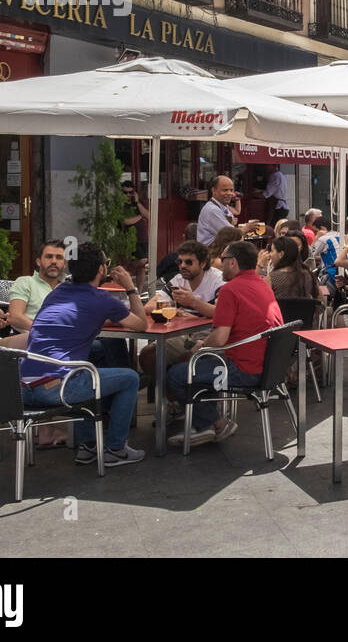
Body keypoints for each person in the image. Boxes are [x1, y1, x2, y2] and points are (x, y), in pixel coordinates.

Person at [20, 242, 149, 466]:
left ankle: (87, 445)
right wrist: (130, 287)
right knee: (130, 378)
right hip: (54, 388)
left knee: (89, 363)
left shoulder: (57, 292)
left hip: (22, 388)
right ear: (101, 269)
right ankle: (116, 449)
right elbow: (140, 324)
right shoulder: (102, 299)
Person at [167, 240, 282, 446]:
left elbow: (219, 338)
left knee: (178, 374)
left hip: (244, 370)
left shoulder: (231, 290)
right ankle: (207, 423)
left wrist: (201, 346)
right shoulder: (262, 284)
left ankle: (214, 424)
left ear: (233, 263)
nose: (219, 261)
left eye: (224, 258)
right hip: (269, 368)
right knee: (202, 365)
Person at [138, 238, 225, 379]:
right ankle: (168, 394)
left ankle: (175, 393)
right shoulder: (178, 280)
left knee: (185, 360)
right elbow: (149, 306)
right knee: (148, 355)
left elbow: (221, 313)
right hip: (180, 333)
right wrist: (174, 310)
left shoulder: (218, 280)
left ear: (203, 263)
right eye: (180, 262)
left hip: (209, 335)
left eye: (189, 262)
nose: (183, 266)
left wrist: (193, 302)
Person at [7, 239, 68, 332]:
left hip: (69, 339)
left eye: (59, 257)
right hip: (33, 339)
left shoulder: (70, 286)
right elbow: (14, 317)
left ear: (64, 264)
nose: (54, 261)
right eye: (49, 256)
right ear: (38, 262)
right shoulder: (26, 282)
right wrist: (47, 331)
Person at [197, 175, 252, 245]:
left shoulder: (222, 206)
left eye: (231, 190)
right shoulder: (212, 210)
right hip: (212, 253)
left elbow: (236, 213)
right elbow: (230, 235)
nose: (229, 193)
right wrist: (247, 228)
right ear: (214, 190)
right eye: (225, 190)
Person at [264, 235, 318, 300]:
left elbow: (263, 302)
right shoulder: (308, 275)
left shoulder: (271, 278)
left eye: (272, 251)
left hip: (278, 310)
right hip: (304, 310)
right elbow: (320, 301)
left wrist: (259, 266)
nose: (270, 254)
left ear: (281, 254)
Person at [121, 180, 149, 260]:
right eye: (125, 193)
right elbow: (125, 221)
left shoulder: (139, 203)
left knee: (144, 263)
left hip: (142, 238)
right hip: (130, 240)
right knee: (136, 262)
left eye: (130, 192)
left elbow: (148, 215)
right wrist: (140, 216)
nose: (128, 195)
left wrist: (137, 202)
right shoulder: (121, 205)